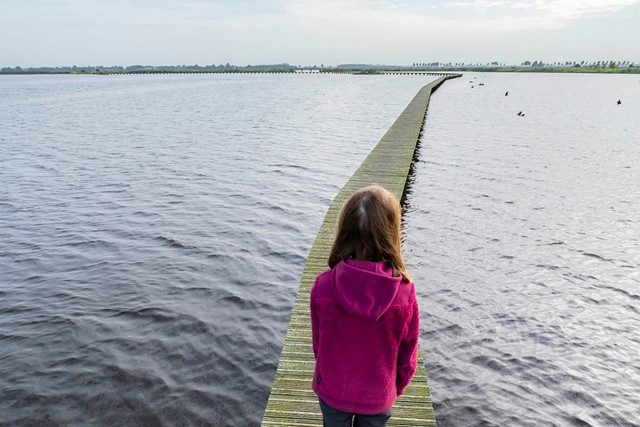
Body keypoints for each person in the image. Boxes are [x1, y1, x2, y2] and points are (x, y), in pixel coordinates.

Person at [310, 185, 420, 427]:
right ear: (391, 233)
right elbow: (408, 355)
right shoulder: (404, 293)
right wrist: (394, 387)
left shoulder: (323, 285)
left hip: (333, 389)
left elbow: (319, 344)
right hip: (379, 394)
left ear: (344, 230)